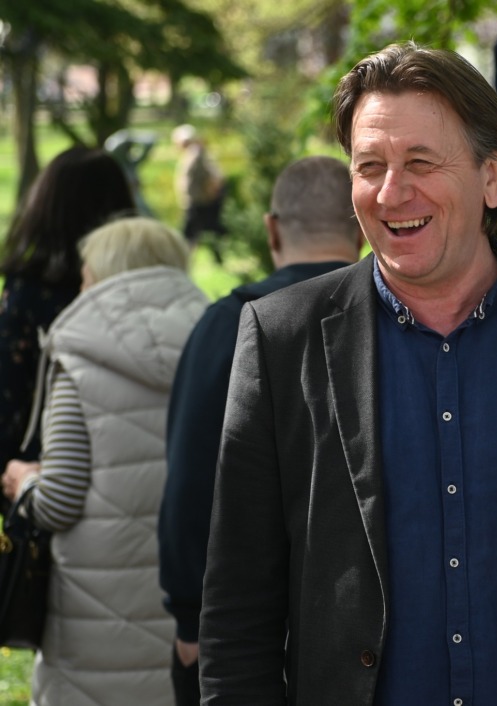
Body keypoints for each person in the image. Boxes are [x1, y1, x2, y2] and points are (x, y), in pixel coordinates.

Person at [198, 42, 497, 705]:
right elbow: (237, 614)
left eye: (420, 163)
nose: (391, 192)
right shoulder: (280, 338)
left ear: (493, 177)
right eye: (370, 166)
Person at [159, 155, 364, 706]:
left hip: (240, 628)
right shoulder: (388, 328)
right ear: (361, 232)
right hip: (360, 627)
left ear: (272, 229)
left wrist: (189, 615)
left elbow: (190, 478)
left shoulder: (227, 323)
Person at [1, 216, 207, 706]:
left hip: (93, 619)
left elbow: (59, 501)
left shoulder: (78, 348)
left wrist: (23, 481)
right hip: (191, 606)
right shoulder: (219, 336)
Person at [0, 146, 136, 477]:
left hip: (48, 469)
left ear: (45, 207)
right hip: (134, 467)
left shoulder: (29, 292)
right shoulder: (144, 288)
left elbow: (10, 391)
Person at [172, 124, 226, 243]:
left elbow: (216, 175)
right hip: (196, 200)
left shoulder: (196, 153)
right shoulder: (193, 153)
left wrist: (211, 192)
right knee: (204, 229)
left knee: (191, 233)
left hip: (198, 201)